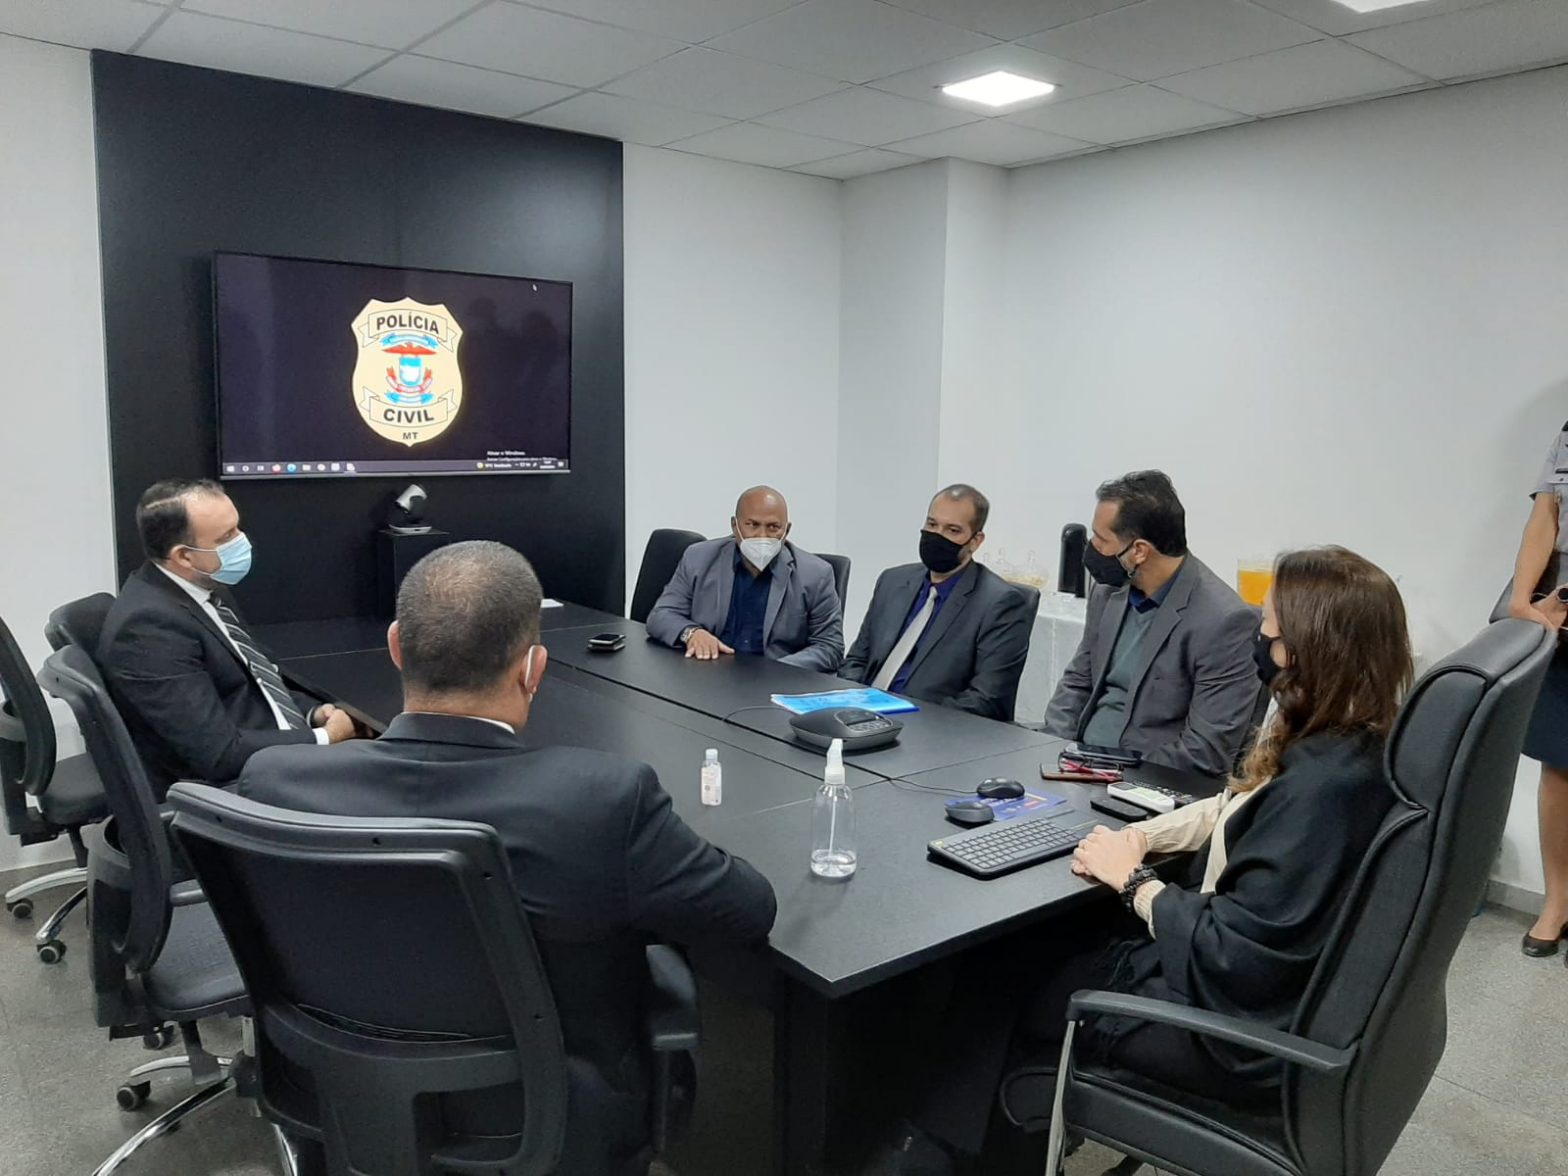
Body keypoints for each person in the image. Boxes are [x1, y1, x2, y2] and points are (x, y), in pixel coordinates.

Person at [239, 540, 777, 1176]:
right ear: (534, 669)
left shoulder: (275, 783)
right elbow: (748, 909)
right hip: (548, 1120)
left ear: (395, 648)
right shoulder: (601, 803)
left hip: (345, 1095)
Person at [870, 547, 1413, 1176]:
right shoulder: (1356, 746)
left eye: (1270, 628)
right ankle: (963, 1143)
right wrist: (1142, 836)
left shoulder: (1319, 790)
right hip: (1249, 993)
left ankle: (935, 1152)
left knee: (998, 964)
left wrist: (1132, 882)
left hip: (1213, 1026)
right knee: (1050, 934)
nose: (1259, 638)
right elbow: (1237, 808)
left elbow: (1230, 952)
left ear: (1309, 648)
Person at [98, 479, 357, 799]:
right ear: (184, 556)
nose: (242, 542)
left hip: (269, 750)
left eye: (237, 528)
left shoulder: (205, 589)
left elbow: (256, 683)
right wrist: (324, 738)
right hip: (234, 794)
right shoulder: (148, 630)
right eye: (227, 537)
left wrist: (312, 713)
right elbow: (218, 755)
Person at [1044, 470, 1260, 778]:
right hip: (1076, 768)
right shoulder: (1108, 591)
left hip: (1147, 782)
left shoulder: (1225, 621)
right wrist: (1051, 750)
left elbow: (1206, 750)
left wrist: (1111, 774)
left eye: (1102, 539)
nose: (1092, 548)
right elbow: (1078, 681)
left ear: (1139, 550)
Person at [840, 485, 1033, 721]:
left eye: (952, 530)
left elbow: (986, 699)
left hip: (931, 729)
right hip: (859, 717)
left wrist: (909, 718)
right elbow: (857, 660)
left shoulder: (1000, 603)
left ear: (975, 541)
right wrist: (849, 702)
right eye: (932, 525)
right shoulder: (892, 581)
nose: (937, 536)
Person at [645, 485, 844, 672]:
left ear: (787, 530)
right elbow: (661, 614)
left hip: (774, 682)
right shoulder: (699, 558)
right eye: (752, 525)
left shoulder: (816, 574)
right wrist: (692, 633)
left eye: (773, 527)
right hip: (709, 674)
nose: (762, 535)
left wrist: (781, 670)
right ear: (735, 525)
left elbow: (830, 647)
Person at [1506, 423, 1568, 957]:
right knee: (1559, 767)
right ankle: (1558, 902)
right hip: (1564, 613)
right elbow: (1544, 516)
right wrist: (1525, 601)